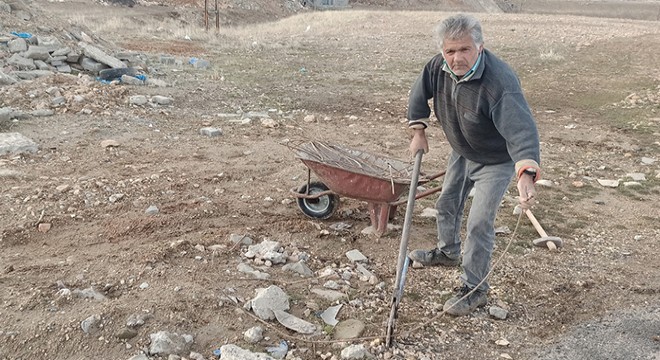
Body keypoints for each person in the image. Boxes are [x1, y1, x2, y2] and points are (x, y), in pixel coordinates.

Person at [406, 14, 541, 316]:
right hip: (462, 149)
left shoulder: (499, 82)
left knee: (479, 223)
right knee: (447, 203)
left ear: (479, 46)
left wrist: (527, 173)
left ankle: (475, 288)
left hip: (496, 159)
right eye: (450, 51)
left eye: (465, 49)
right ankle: (448, 251)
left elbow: (522, 131)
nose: (457, 58)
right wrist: (418, 131)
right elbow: (419, 92)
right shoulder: (437, 67)